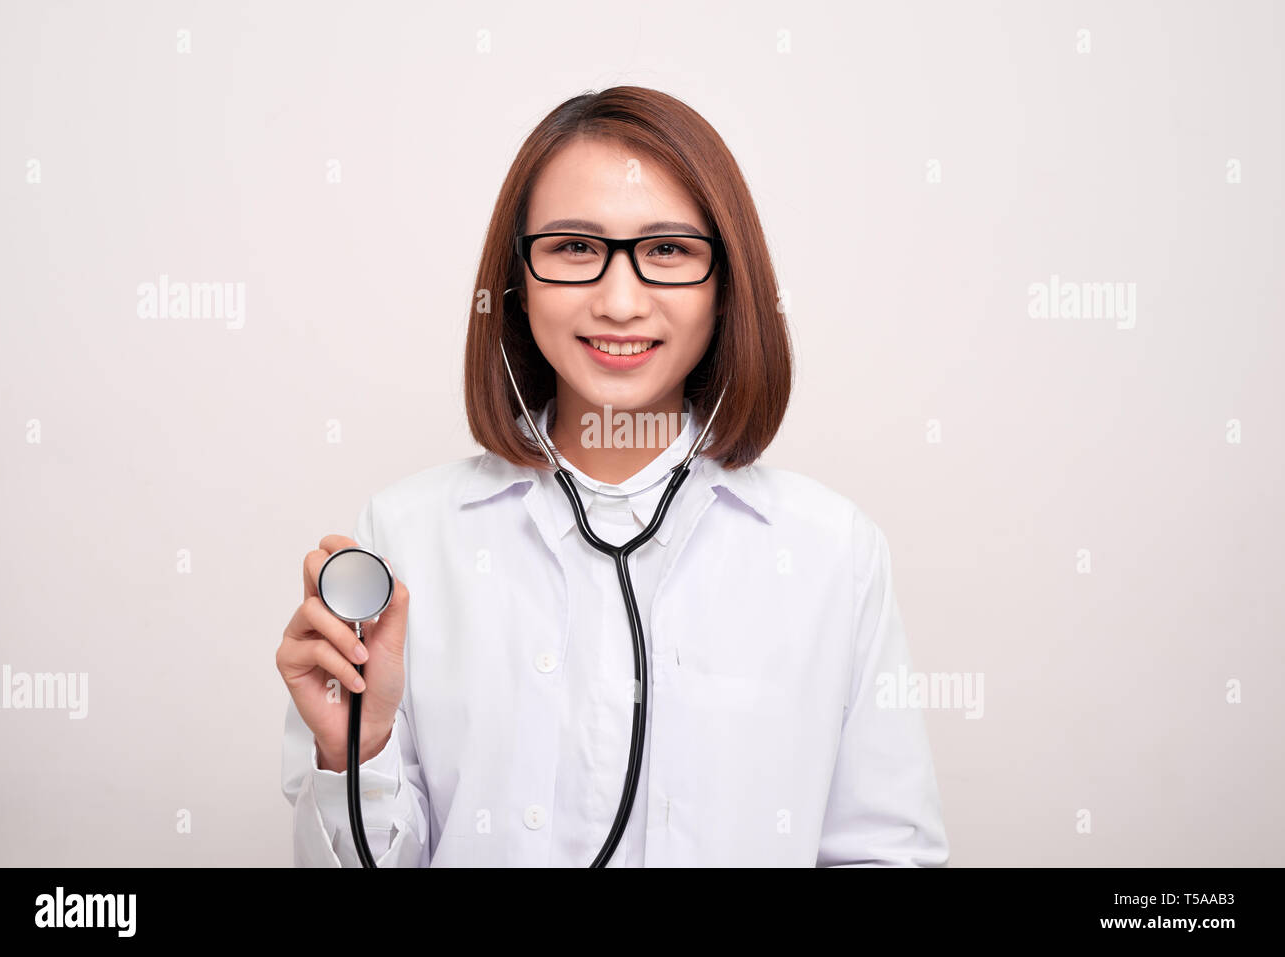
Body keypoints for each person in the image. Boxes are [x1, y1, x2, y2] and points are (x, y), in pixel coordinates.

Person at [277, 86, 950, 867]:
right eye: (573, 248)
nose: (620, 301)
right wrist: (354, 753)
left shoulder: (833, 552)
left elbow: (883, 852)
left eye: (667, 250)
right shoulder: (405, 537)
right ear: (517, 281)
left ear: (724, 283)